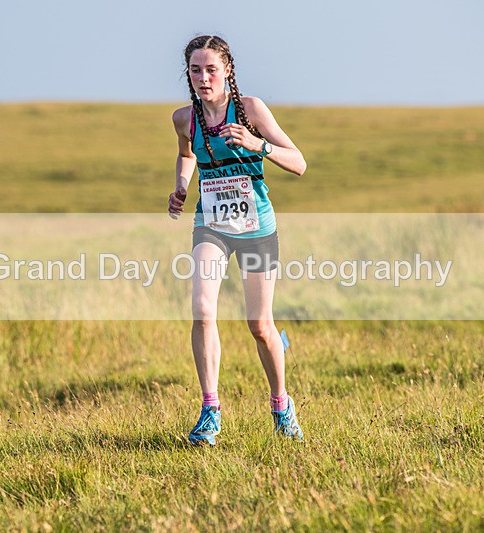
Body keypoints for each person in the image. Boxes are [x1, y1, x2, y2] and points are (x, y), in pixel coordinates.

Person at [168, 35, 307, 446]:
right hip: (210, 224)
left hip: (256, 228)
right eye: (195, 70)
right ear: (187, 74)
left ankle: (281, 405)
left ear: (227, 68)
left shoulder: (250, 109)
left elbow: (299, 163)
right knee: (202, 310)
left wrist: (256, 144)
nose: (203, 77)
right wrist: (180, 185)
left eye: (211, 69)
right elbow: (187, 153)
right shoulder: (183, 118)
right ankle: (210, 412)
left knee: (260, 327)